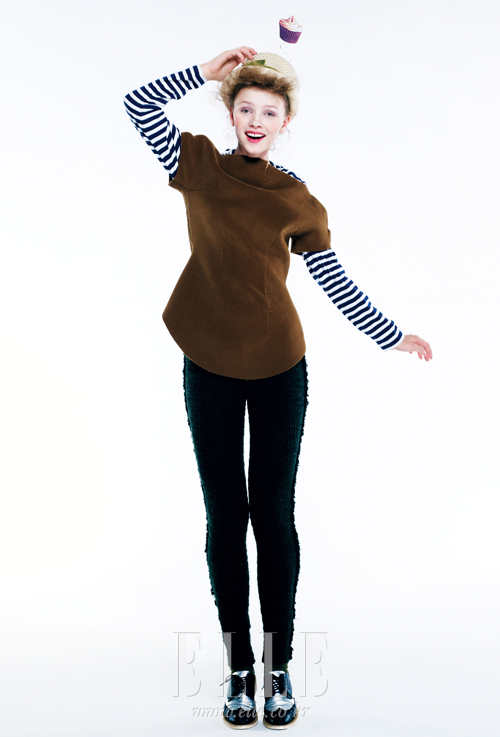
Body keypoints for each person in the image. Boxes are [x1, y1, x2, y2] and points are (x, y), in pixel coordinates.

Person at [124, 46, 433, 730]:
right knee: (224, 515)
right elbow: (138, 104)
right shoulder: (197, 166)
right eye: (246, 109)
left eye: (269, 112)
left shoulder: (297, 198)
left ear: (285, 121)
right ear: (231, 114)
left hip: (278, 368)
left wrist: (390, 335)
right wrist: (205, 73)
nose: (256, 121)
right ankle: (238, 667)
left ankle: (278, 663)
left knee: (272, 514)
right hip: (207, 360)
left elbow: (332, 279)